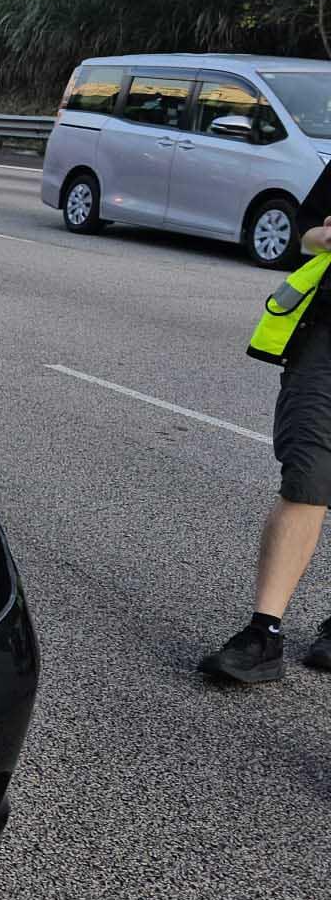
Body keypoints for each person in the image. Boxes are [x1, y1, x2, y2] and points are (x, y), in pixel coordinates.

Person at [200, 192, 331, 683]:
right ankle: (264, 633)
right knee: (307, 475)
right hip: (324, 342)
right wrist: (323, 236)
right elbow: (308, 231)